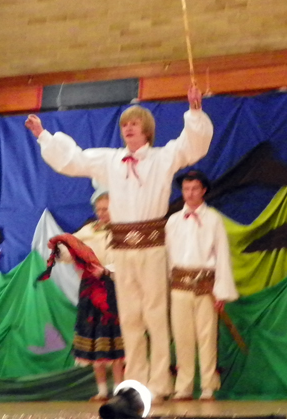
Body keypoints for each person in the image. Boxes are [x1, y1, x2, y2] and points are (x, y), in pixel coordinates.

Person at [25, 86, 213, 402]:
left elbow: (191, 146)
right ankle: (135, 384)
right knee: (129, 317)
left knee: (155, 315)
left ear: (147, 129)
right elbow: (75, 160)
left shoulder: (162, 157)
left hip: (152, 245)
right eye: (125, 124)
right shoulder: (111, 160)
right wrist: (44, 135)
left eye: (134, 123)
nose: (128, 128)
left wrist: (194, 112)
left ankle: (160, 382)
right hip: (123, 248)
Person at [165, 171, 239, 401]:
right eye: (186, 189)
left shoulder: (213, 219)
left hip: (206, 286)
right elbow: (166, 257)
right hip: (179, 286)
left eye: (195, 188)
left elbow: (222, 256)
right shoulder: (174, 220)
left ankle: (208, 385)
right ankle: (184, 386)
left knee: (207, 337)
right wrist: (166, 288)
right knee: (182, 337)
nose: (190, 193)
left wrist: (221, 291)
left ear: (203, 190)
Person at [58, 191, 124, 402]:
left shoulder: (124, 231)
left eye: (106, 209)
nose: (102, 213)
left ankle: (121, 390)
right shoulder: (88, 230)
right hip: (90, 291)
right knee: (95, 338)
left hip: (115, 289)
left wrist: (106, 270)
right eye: (99, 209)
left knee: (116, 342)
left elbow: (129, 262)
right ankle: (102, 390)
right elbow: (68, 250)